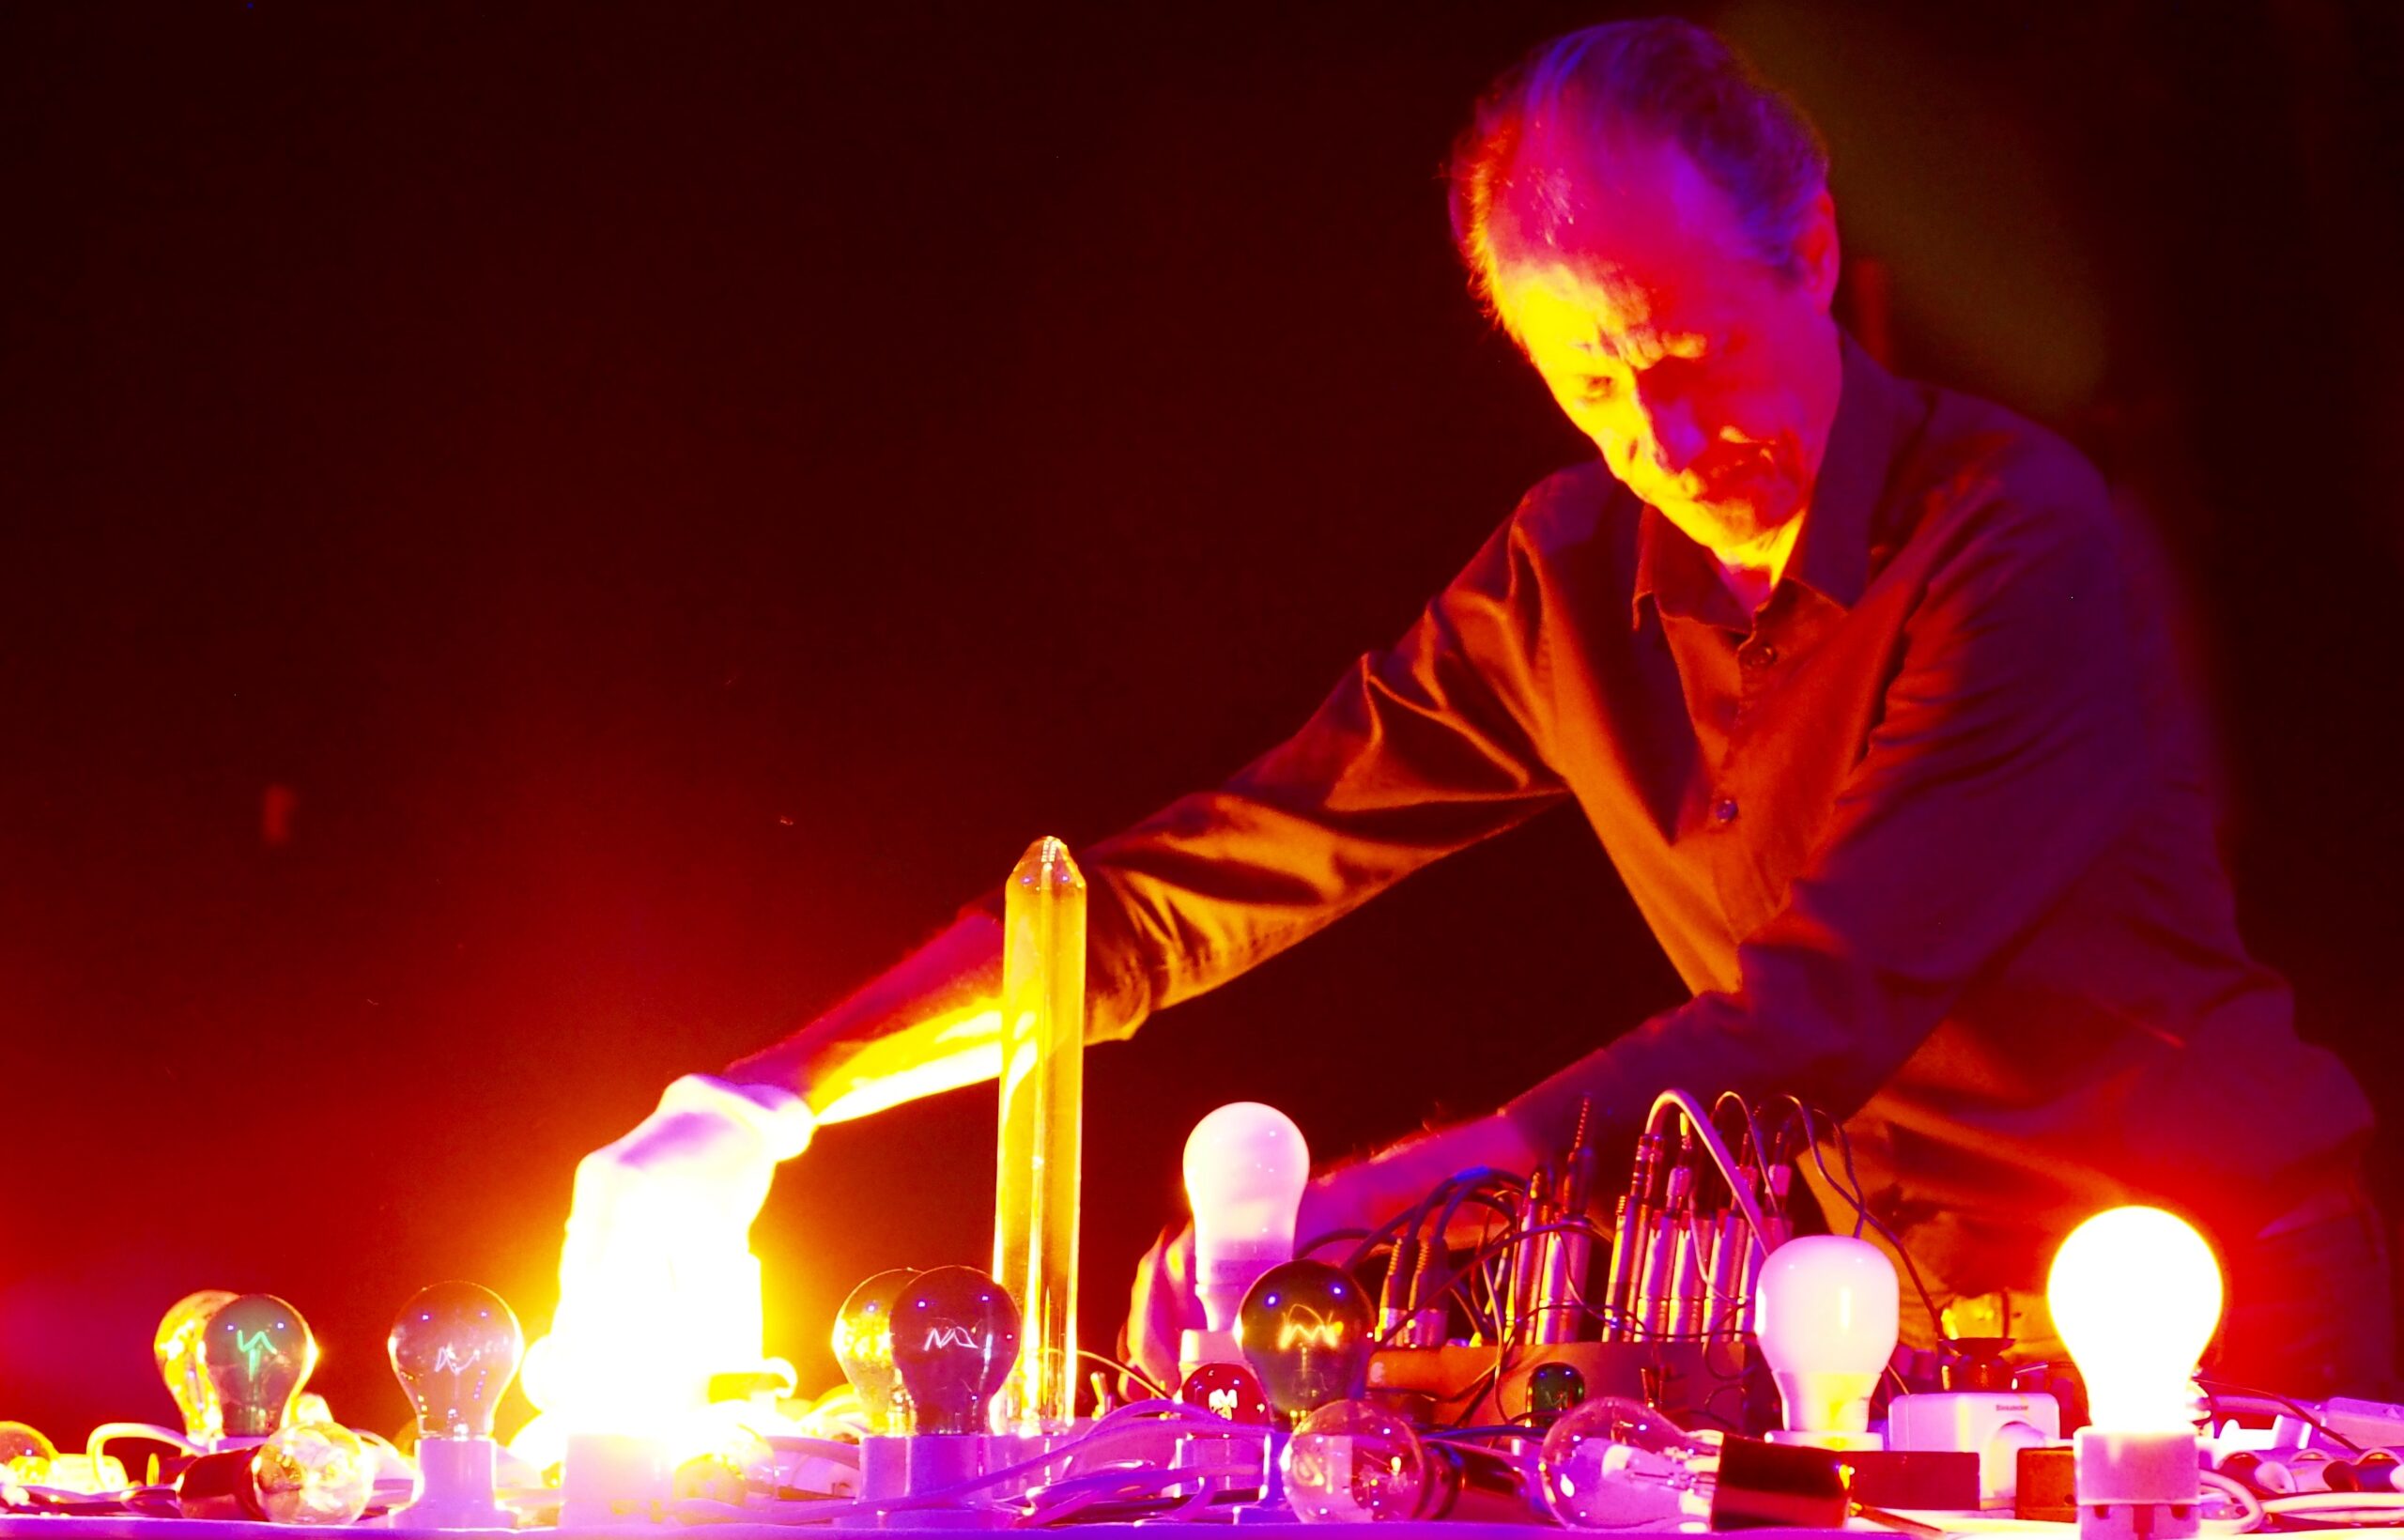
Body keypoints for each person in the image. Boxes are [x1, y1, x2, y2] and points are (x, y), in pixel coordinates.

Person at [564, 19, 2388, 1401]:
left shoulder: (2013, 535)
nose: (1661, 438)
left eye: (1685, 348)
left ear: (1815, 252)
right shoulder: (1567, 571)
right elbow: (1221, 869)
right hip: (1896, 1350)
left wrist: (1381, 1200)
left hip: (2227, 1316)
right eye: (1588, 378)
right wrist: (769, 1098)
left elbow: (1822, 1006)